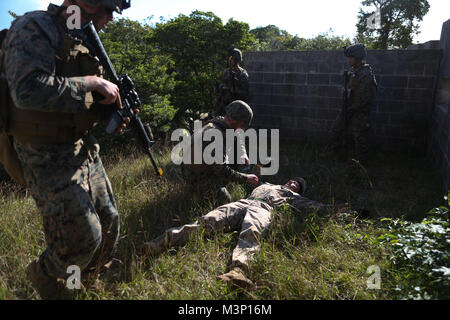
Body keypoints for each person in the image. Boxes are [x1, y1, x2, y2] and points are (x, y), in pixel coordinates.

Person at [1, 0, 131, 299]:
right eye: (108, 10)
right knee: (83, 239)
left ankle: (83, 286)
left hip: (80, 147)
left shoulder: (80, 40)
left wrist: (107, 111)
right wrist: (92, 83)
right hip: (43, 152)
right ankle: (45, 277)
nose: (111, 19)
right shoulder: (34, 27)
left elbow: (78, 100)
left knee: (109, 221)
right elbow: (27, 91)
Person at [143, 177, 335, 289]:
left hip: (264, 209)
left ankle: (237, 271)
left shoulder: (294, 197)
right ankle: (162, 242)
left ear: (298, 190)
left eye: (297, 184)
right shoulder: (267, 184)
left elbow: (316, 207)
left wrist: (345, 210)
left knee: (252, 232)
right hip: (243, 202)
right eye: (292, 180)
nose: (292, 183)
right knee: (209, 220)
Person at [182, 100, 259, 205]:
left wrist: (243, 153)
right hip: (196, 175)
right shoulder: (214, 135)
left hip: (208, 166)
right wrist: (245, 178)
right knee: (225, 201)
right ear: (232, 120)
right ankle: (196, 192)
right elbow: (222, 170)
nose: (243, 128)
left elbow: (239, 137)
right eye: (242, 124)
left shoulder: (222, 122)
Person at [329, 44, 378, 162]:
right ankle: (337, 155)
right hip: (349, 108)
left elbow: (364, 98)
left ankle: (362, 164)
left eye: (350, 57)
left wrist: (351, 109)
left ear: (357, 57)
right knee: (336, 130)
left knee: (360, 138)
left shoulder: (365, 74)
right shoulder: (354, 71)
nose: (348, 60)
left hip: (359, 111)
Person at [216, 48, 250, 116]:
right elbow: (222, 85)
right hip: (224, 105)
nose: (230, 61)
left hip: (235, 108)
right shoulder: (226, 72)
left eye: (232, 59)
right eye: (230, 59)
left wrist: (234, 89)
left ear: (237, 60)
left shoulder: (242, 74)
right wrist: (222, 87)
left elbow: (245, 93)